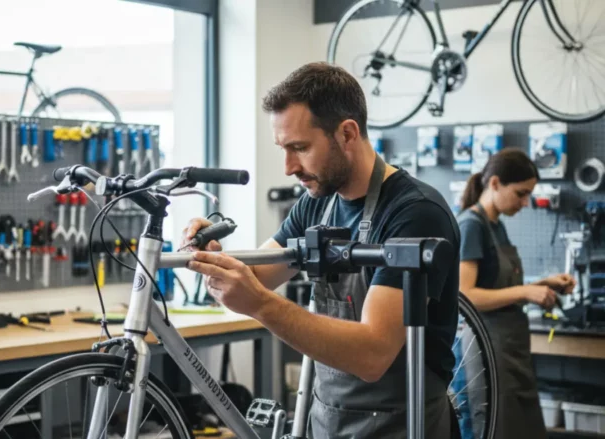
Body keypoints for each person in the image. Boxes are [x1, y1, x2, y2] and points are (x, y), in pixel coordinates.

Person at [181, 62, 461, 438]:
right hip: (329, 421)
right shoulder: (316, 202)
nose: (288, 167)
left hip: (402, 424)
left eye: (300, 148)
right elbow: (257, 278)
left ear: (347, 133)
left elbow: (373, 354)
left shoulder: (416, 213)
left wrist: (261, 305)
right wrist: (214, 257)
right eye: (283, 149)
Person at [457, 149, 575, 438]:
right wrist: (526, 291)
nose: (525, 202)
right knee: (493, 427)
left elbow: (497, 285)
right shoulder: (472, 225)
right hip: (485, 345)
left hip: (508, 346)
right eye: (521, 193)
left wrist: (544, 284)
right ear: (495, 183)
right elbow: (465, 296)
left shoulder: (495, 225)